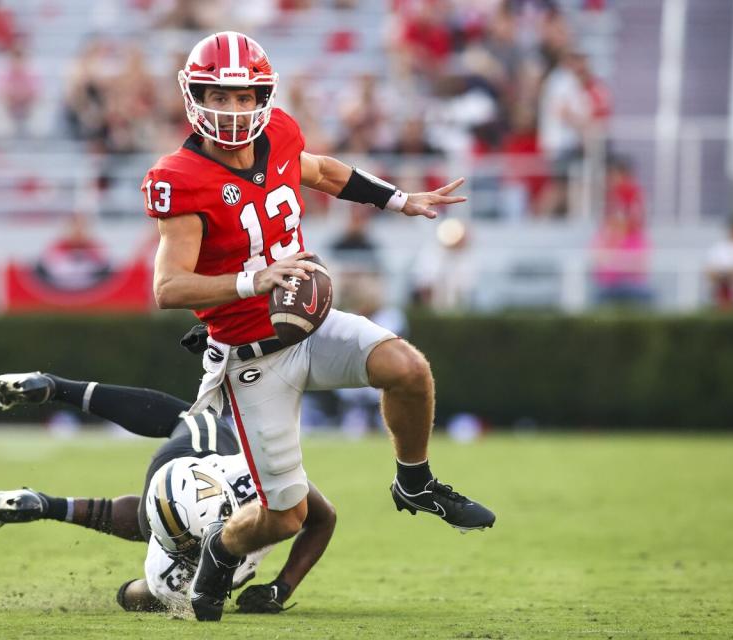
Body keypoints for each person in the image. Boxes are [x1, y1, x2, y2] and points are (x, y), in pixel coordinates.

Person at [142, 31, 495, 622]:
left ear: (264, 97)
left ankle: (414, 482)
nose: (234, 110)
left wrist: (397, 200)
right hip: (252, 357)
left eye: (245, 96)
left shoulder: (279, 131)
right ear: (194, 96)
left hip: (311, 323)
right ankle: (220, 547)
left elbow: (321, 172)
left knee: (407, 369)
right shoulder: (180, 175)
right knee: (286, 518)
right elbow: (167, 288)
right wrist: (252, 280)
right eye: (219, 97)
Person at [0, 371, 336, 614]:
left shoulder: (169, 575)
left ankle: (56, 397)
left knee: (194, 429)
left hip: (182, 479)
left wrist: (162, 595)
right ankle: (54, 398)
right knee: (199, 420)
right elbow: (323, 518)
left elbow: (131, 595)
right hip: (183, 490)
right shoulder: (248, 483)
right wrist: (280, 589)